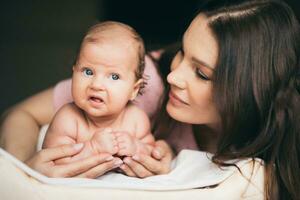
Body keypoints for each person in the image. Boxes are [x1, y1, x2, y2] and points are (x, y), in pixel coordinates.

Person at [0, 0, 299, 199]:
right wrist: (29, 168)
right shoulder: (144, 82)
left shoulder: (276, 149)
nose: (174, 76)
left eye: (201, 73)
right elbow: (20, 114)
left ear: (248, 93)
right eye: (182, 50)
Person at [42, 21, 155, 167]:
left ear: (134, 90)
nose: (96, 85)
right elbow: (54, 163)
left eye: (114, 76)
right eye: (88, 72)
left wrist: (137, 147)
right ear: (74, 71)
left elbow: (152, 153)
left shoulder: (136, 120)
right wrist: (93, 148)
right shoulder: (68, 120)